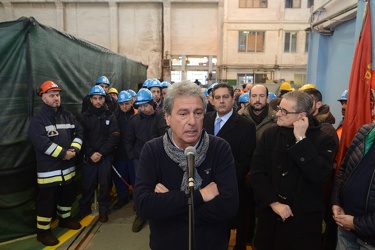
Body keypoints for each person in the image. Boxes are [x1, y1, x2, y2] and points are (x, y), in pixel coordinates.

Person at [133, 80, 239, 250]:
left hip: (210, 243)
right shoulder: (152, 150)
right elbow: (144, 205)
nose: (192, 121)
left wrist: (170, 203)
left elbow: (228, 206)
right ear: (167, 118)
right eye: (183, 114)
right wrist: (200, 196)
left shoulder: (219, 148)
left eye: (198, 113)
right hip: (167, 243)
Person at [250, 90, 338, 250]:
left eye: (284, 111)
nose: (277, 114)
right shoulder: (270, 134)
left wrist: (301, 140)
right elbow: (257, 173)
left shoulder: (324, 139)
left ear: (301, 116)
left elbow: (319, 175)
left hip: (302, 224)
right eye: (278, 109)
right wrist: (274, 202)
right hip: (270, 219)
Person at [28, 81, 83, 246]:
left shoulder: (68, 115)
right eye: (51, 95)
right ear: (43, 98)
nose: (56, 98)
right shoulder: (38, 119)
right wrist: (63, 154)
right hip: (49, 171)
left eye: (57, 95)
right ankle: (43, 232)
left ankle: (65, 220)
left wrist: (74, 149)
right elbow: (41, 142)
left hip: (67, 170)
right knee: (47, 202)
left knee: (67, 197)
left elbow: (79, 132)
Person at [203, 83, 256, 250]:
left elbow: (244, 160)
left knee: (230, 225)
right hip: (204, 184)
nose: (221, 101)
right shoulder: (205, 120)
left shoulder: (245, 125)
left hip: (232, 185)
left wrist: (222, 182)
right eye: (217, 98)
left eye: (225, 97)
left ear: (233, 99)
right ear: (211, 100)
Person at [77, 85, 120, 223]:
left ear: (104, 99)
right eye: (95, 98)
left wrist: (101, 153)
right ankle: (84, 209)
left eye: (100, 98)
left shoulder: (110, 116)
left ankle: (103, 210)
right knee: (87, 184)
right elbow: (81, 137)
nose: (98, 101)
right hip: (89, 157)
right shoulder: (84, 117)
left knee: (105, 185)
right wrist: (90, 153)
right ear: (90, 99)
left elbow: (114, 136)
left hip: (105, 157)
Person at [331, 123, 375, 249]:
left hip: (370, 240)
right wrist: (337, 202)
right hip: (345, 226)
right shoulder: (365, 131)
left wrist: (357, 224)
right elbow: (344, 170)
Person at [124, 88, 156, 232]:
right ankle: (140, 214)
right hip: (139, 160)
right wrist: (133, 157)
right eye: (140, 106)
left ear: (152, 103)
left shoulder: (161, 118)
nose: (143, 109)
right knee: (140, 187)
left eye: (145, 105)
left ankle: (158, 214)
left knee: (158, 186)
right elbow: (128, 140)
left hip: (157, 160)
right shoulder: (134, 121)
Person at [112, 91, 137, 210]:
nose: (124, 106)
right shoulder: (114, 117)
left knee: (136, 176)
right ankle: (123, 197)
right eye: (122, 104)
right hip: (120, 153)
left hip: (134, 153)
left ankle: (138, 200)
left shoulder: (137, 115)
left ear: (132, 102)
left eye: (127, 103)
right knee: (120, 177)